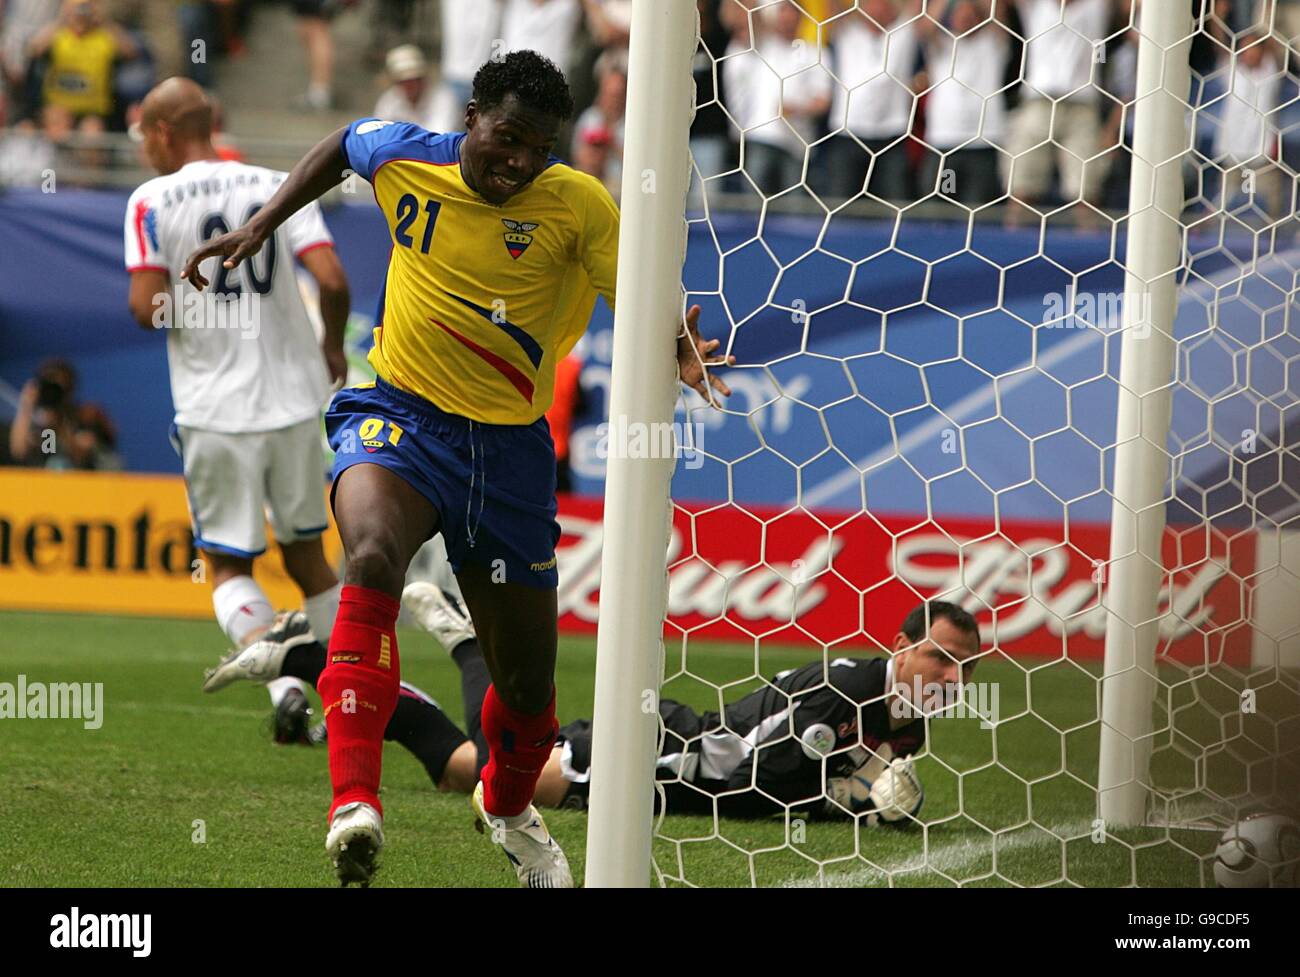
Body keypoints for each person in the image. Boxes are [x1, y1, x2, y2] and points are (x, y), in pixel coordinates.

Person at [179, 49, 733, 888]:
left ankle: (507, 807)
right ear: (472, 117)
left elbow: (644, 298)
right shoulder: (407, 156)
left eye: (539, 148)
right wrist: (265, 221)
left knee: (529, 693)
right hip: (400, 418)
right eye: (508, 137)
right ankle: (353, 803)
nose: (520, 161)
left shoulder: (578, 204)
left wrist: (678, 346)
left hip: (507, 452)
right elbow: (342, 141)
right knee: (370, 555)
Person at [217, 593, 978, 824]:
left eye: (965, 668)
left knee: (458, 770)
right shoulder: (843, 694)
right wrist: (864, 805)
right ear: (901, 646)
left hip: (670, 776)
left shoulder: (906, 715)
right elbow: (763, 780)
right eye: (941, 657)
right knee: (497, 775)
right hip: (657, 756)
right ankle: (327, 657)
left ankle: (439, 644)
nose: (951, 676)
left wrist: (880, 798)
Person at [123, 77, 351, 738]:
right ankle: (349, 697)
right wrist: (331, 346)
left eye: (143, 137)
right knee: (309, 558)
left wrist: (191, 306)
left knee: (226, 564)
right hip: (294, 400)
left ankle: (285, 679)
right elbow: (333, 280)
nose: (142, 150)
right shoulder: (279, 183)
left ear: (163, 132)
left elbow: (145, 308)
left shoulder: (150, 200)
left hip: (214, 408)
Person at [1002, 0, 1113, 224]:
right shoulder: (1035, 6)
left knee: (1086, 192)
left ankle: (1088, 243)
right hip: (1038, 102)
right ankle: (1013, 242)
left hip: (1082, 106)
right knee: (1021, 188)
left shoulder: (1097, 6)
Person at [722, 0, 834, 197]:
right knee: (753, 200)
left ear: (801, 18)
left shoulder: (816, 53)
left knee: (795, 205)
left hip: (798, 143)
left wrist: (797, 109)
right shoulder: (762, 44)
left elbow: (823, 101)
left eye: (792, 14)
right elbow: (744, 15)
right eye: (782, 13)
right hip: (762, 136)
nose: (786, 19)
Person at [824, 0, 922, 201]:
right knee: (839, 206)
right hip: (848, 134)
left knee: (896, 205)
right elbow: (833, 5)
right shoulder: (847, 32)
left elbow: (916, 8)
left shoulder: (902, 34)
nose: (877, 7)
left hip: (893, 137)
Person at [916, 0, 1011, 206]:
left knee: (977, 211)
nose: (965, 18)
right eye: (960, 13)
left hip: (983, 145)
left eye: (970, 14)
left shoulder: (992, 44)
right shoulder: (941, 46)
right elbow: (924, 27)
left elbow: (999, 14)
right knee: (941, 208)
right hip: (945, 146)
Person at [28, 0, 138, 141]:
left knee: (92, 133)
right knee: (56, 124)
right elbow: (33, 49)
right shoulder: (59, 36)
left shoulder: (104, 37)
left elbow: (131, 52)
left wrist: (105, 21)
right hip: (59, 105)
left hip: (92, 110)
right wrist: (62, 19)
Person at [373, 44, 438, 130]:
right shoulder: (388, 101)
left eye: (414, 79)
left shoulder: (441, 99)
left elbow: (440, 133)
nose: (410, 85)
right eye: (403, 81)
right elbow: (379, 132)